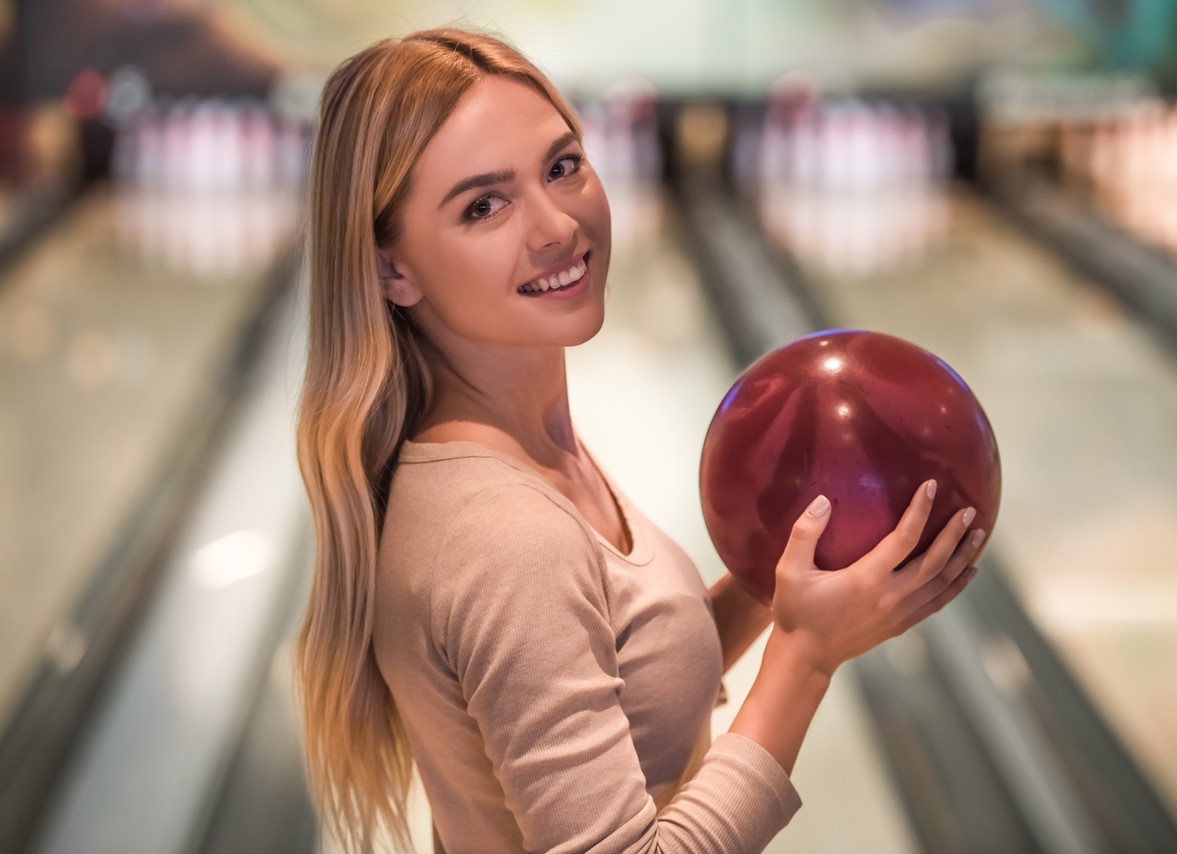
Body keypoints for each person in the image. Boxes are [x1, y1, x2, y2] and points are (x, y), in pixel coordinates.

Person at [293, 27, 986, 854]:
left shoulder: (512, 454)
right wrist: (805, 657)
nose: (555, 225)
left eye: (562, 166)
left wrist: (774, 584)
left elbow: (607, 676)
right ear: (390, 270)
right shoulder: (504, 535)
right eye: (484, 205)